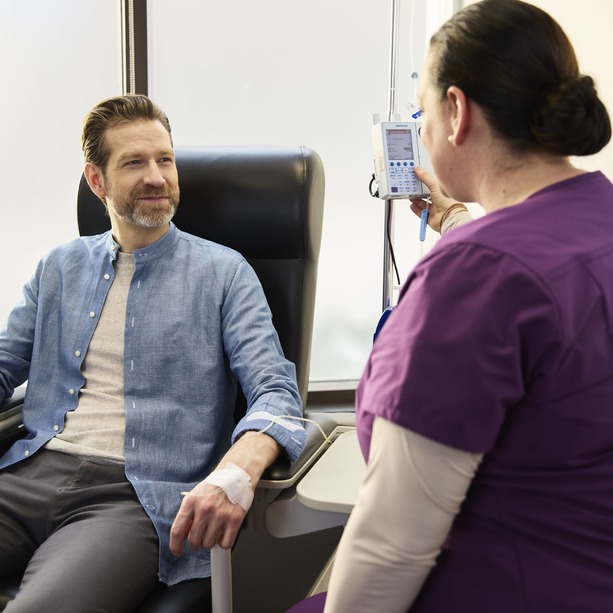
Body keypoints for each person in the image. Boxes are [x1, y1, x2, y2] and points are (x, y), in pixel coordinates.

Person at [288, 1, 613, 611]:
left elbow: (390, 546)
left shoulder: (475, 277)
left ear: (457, 111)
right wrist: (455, 220)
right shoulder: (594, 223)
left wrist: (465, 243)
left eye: (423, 110)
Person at [0, 94, 307, 612]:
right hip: (30, 471)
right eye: (134, 163)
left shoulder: (224, 272)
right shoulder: (59, 266)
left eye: (164, 159)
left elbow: (275, 393)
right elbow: (5, 363)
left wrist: (234, 475)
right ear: (96, 180)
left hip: (132, 499)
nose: (157, 177)